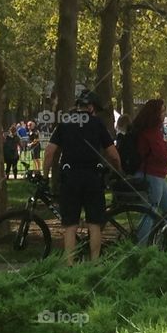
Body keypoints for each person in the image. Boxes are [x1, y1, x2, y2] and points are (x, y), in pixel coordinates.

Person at [43, 89, 121, 264]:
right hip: (93, 178)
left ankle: (70, 265)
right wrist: (118, 171)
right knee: (94, 224)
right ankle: (94, 263)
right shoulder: (97, 124)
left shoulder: (64, 123)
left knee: (70, 225)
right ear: (91, 107)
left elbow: (49, 153)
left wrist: (45, 176)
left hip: (70, 178)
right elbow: (113, 154)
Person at [131, 99, 167, 242]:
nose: (164, 114)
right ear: (155, 113)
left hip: (156, 174)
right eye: (162, 111)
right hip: (151, 174)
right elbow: (160, 154)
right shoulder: (150, 132)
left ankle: (161, 240)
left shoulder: (152, 130)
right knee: (151, 210)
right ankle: (143, 245)